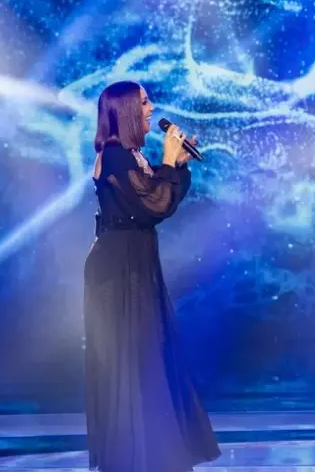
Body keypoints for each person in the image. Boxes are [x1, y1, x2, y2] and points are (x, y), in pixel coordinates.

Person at [84, 81, 221, 471]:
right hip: (117, 270)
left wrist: (177, 165)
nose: (151, 108)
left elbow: (163, 200)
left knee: (149, 354)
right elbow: (153, 205)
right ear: (126, 110)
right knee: (131, 357)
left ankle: (153, 455)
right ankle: (131, 458)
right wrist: (167, 161)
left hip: (137, 262)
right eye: (144, 103)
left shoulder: (132, 156)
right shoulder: (114, 156)